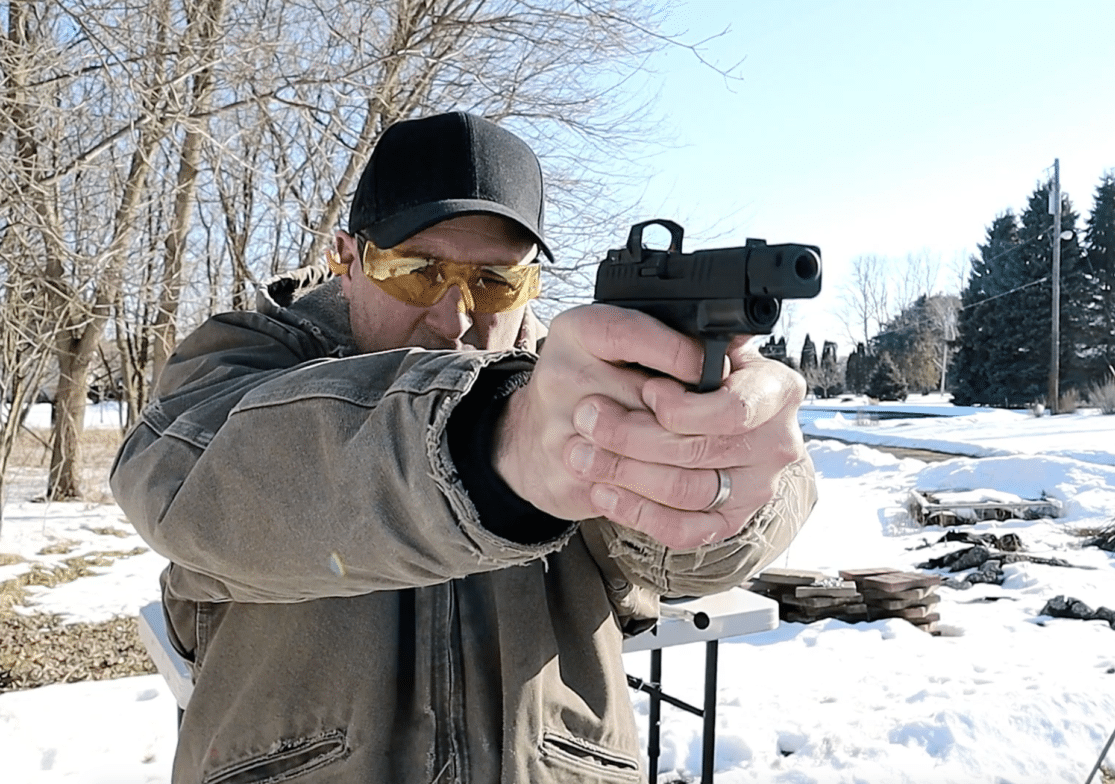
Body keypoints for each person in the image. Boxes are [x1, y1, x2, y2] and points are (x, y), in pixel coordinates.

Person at [110, 111, 816, 784]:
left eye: (494, 280)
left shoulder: (584, 387)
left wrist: (717, 471)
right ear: (347, 258)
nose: (454, 318)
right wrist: (494, 443)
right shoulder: (246, 356)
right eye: (416, 271)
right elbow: (181, 479)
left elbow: (674, 560)